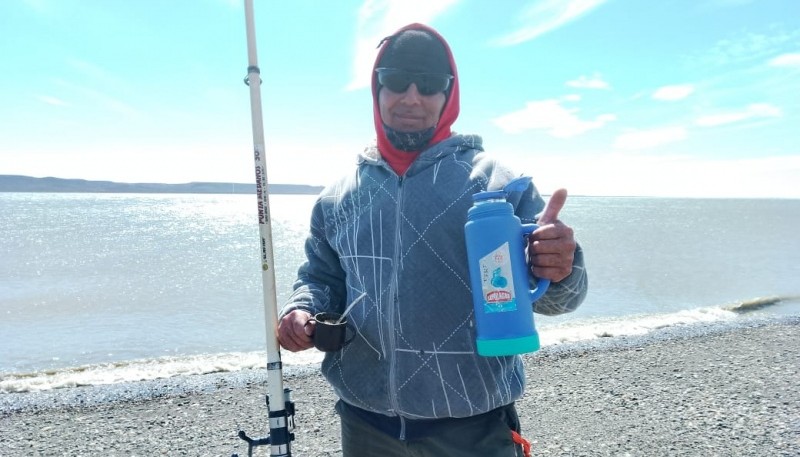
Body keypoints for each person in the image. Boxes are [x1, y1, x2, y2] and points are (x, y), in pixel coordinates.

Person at [277, 22, 588, 457]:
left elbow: (559, 300)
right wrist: (302, 310)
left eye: (428, 84)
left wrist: (562, 267)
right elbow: (320, 276)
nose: (411, 97)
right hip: (364, 424)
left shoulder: (499, 183)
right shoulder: (338, 197)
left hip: (473, 428)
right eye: (395, 81)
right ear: (375, 89)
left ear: (449, 94)